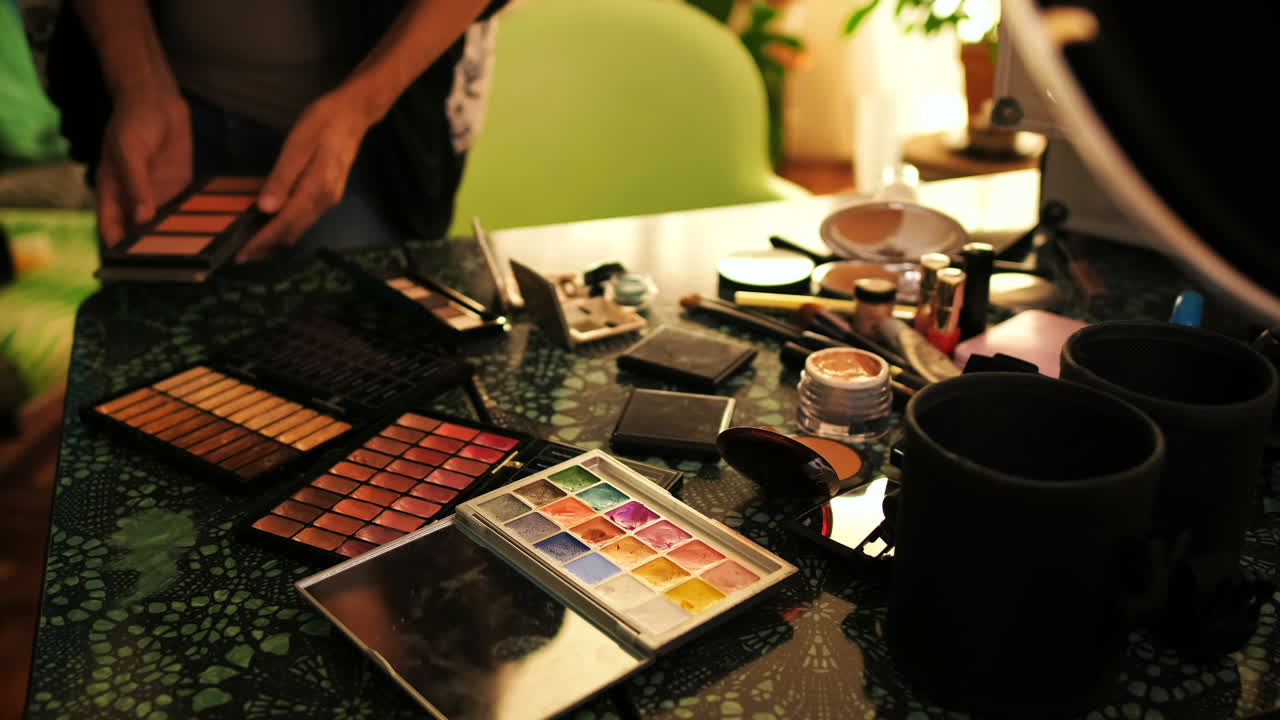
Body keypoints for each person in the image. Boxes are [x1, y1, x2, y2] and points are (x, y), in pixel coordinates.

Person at [44, 0, 505, 261]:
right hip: (167, 124)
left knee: (354, 377)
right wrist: (138, 83)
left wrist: (360, 107)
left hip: (378, 141)